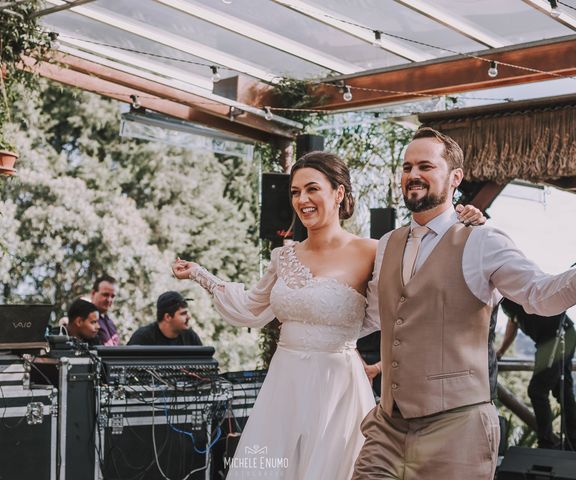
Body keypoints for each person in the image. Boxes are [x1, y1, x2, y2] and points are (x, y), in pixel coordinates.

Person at [173, 151, 484, 480]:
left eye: (311, 189)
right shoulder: (284, 255)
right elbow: (252, 306)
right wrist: (199, 274)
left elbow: (410, 296)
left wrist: (460, 225)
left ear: (338, 193)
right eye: (295, 192)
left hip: (336, 388)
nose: (302, 199)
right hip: (284, 385)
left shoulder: (373, 250)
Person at [352, 127, 576, 480]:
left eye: (425, 166)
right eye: (407, 167)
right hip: (387, 427)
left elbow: (540, 294)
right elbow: (374, 317)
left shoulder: (482, 240)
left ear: (455, 177)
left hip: (457, 429)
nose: (413, 175)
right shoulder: (387, 244)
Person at [497, 298, 576, 450]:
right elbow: (513, 321)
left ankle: (547, 444)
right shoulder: (505, 296)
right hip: (560, 336)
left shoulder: (512, 285)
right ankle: (572, 442)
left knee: (537, 390)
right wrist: (501, 351)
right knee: (563, 391)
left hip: (558, 335)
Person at [128, 291, 202, 346]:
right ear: (167, 317)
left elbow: (205, 364)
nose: (188, 317)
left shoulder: (190, 337)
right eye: (183, 314)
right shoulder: (143, 337)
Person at [91, 274, 120, 346]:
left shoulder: (110, 322)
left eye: (112, 296)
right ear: (93, 293)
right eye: (105, 295)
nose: (109, 300)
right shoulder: (84, 318)